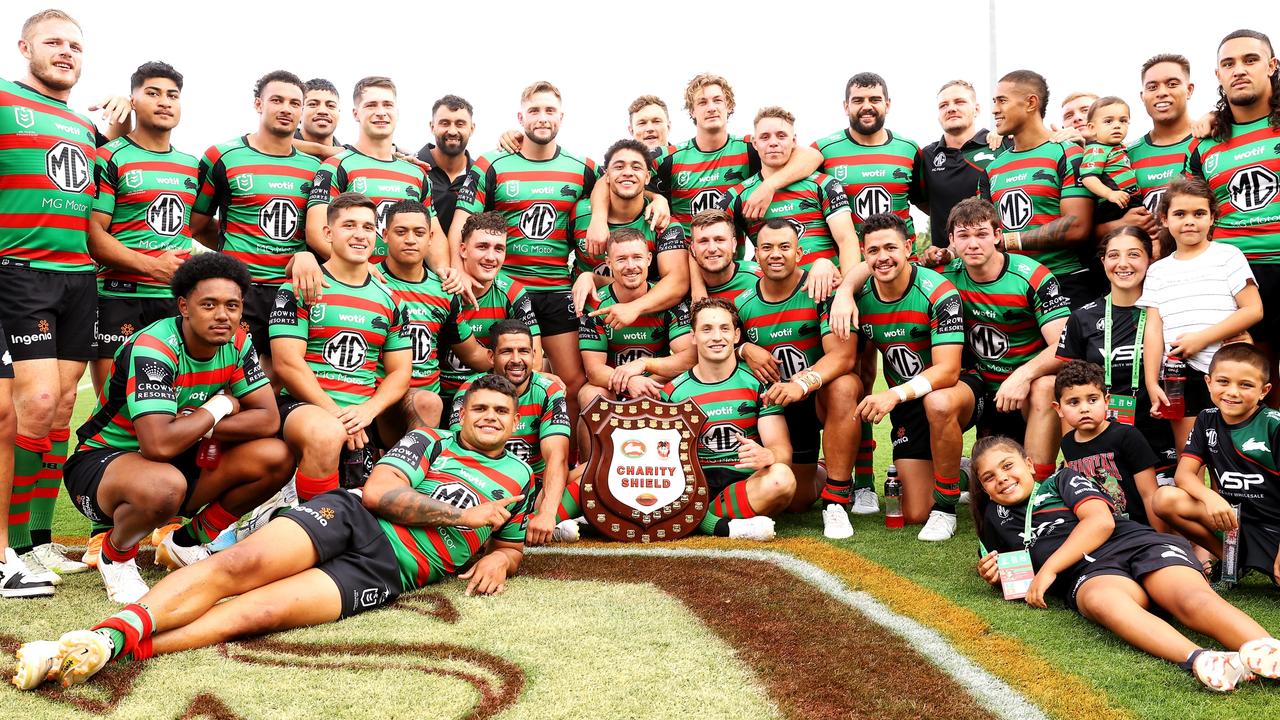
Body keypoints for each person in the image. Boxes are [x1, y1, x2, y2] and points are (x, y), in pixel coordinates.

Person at [11, 375, 534, 692]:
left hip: (389, 569)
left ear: (516, 421)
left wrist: (500, 559)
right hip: (353, 517)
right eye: (480, 407)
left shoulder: (520, 476)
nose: (489, 417)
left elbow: (509, 541)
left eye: (501, 411)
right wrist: (463, 517)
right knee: (233, 571)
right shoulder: (429, 441)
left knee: (253, 614)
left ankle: (103, 653)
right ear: (462, 411)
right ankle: (103, 635)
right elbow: (379, 494)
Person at [63, 253, 292, 601]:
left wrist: (198, 422)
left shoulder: (239, 342)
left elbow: (267, 418)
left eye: (232, 305)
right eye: (209, 304)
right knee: (164, 485)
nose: (222, 315)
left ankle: (186, 542)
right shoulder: (155, 346)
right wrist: (220, 405)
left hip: (182, 455)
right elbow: (157, 444)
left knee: (275, 455)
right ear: (184, 307)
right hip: (106, 463)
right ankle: (116, 555)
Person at [971, 434, 1280, 693]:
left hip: (1135, 544)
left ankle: (1265, 649)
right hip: (1091, 573)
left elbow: (1100, 522)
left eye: (1007, 466)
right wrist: (997, 576)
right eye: (989, 477)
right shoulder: (994, 521)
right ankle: (1203, 660)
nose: (1002, 478)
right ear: (983, 488)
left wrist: (1050, 568)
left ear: (1027, 464)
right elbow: (1022, 576)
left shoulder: (1061, 480)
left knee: (1191, 599)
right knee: (1102, 601)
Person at [0, 9, 131, 583]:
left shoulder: (81, 125)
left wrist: (111, 132)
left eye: (75, 46)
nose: (66, 53)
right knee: (31, 405)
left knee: (56, 412)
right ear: (24, 46)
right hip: (20, 271)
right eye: (54, 42)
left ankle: (38, 538)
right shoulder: (4, 100)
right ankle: (8, 545)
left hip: (78, 278)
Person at [446, 81, 596, 428]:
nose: (542, 118)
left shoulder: (582, 167)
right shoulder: (492, 163)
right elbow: (461, 223)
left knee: (571, 383)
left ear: (561, 117)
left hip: (556, 289)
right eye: (534, 111)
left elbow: (615, 192)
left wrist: (658, 200)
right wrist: (459, 273)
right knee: (505, 378)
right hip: (505, 288)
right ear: (520, 117)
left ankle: (564, 453)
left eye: (549, 111)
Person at [269, 193, 412, 502]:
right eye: (349, 225)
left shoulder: (391, 298)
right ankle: (307, 524)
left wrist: (366, 411)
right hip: (304, 409)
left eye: (368, 226)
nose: (360, 234)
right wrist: (337, 416)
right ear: (327, 233)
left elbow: (401, 372)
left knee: (363, 507)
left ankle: (291, 506)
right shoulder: (302, 286)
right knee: (326, 434)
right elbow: (287, 364)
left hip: (361, 416)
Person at [852, 213, 981, 541]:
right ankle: (962, 471)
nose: (883, 257)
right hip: (909, 402)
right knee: (912, 512)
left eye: (891, 248)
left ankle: (947, 507)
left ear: (909, 246)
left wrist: (893, 395)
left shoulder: (938, 291)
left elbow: (948, 370)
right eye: (873, 250)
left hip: (956, 389)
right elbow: (863, 367)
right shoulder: (861, 296)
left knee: (937, 403)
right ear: (863, 254)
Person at [735, 220, 861, 539]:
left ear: (799, 252)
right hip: (776, 408)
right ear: (755, 255)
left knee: (846, 385)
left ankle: (836, 499)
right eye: (766, 247)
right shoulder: (743, 304)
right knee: (796, 503)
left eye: (784, 247)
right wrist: (744, 348)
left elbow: (843, 356)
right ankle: (819, 469)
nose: (775, 254)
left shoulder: (821, 290)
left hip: (814, 396)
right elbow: (720, 346)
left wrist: (802, 384)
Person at [190, 70, 321, 377]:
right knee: (229, 378)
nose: (286, 108)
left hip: (292, 290)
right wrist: (233, 254)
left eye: (294, 103)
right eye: (277, 100)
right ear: (258, 104)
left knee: (279, 379)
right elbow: (196, 223)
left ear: (302, 111)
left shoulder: (316, 168)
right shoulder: (223, 156)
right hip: (241, 290)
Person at [939, 198, 1069, 480]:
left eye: (982, 234)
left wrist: (1022, 375)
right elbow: (889, 261)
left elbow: (1063, 345)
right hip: (982, 390)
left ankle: (1040, 490)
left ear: (998, 236)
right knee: (994, 481)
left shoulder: (1031, 275)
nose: (973, 244)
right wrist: (848, 286)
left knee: (1046, 385)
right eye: (963, 235)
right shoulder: (944, 274)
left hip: (1026, 393)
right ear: (951, 240)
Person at [90, 62, 197, 395]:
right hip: (118, 299)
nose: (164, 101)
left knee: (173, 407)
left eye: (172, 95)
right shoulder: (109, 156)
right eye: (153, 93)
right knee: (114, 405)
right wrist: (152, 266)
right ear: (132, 101)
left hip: (174, 302)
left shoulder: (192, 166)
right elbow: (93, 234)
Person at [1187, 29, 1280, 396]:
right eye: (1229, 63)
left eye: (1250, 60)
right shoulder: (1204, 142)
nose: (1238, 70)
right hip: (1233, 278)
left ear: (1272, 66)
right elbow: (1191, 210)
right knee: (1251, 382)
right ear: (1218, 76)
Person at [1138, 176, 1261, 450]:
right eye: (1180, 214)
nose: (1190, 221)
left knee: (1231, 453)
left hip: (1227, 371)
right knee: (1190, 453)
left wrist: (1202, 339)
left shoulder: (1228, 256)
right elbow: (1153, 329)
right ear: (1165, 219)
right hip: (1179, 374)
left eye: (1199, 213)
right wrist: (1150, 380)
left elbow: (1253, 309)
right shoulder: (1157, 270)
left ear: (1213, 217)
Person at [659, 297, 794, 540]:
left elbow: (781, 448)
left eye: (724, 329)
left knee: (782, 479)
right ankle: (723, 525)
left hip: (744, 483)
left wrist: (769, 455)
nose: (716, 337)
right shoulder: (673, 392)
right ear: (693, 336)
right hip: (694, 486)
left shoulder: (758, 383)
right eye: (707, 329)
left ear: (736, 335)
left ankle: (697, 519)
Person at [1056, 226, 1177, 483]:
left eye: (1134, 254)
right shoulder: (1082, 317)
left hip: (1161, 439)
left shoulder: (1170, 311)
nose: (1123, 264)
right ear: (1103, 261)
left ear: (1149, 259)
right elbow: (1068, 391)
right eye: (1113, 255)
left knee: (1164, 506)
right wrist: (1072, 454)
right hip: (1101, 443)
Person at [638, 73, 822, 241]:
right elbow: (616, 176)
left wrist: (769, 185)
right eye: (702, 102)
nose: (711, 108)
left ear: (729, 106)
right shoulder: (671, 156)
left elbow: (813, 156)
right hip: (686, 259)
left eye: (717, 100)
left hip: (731, 265)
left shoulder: (750, 147)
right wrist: (656, 198)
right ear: (692, 111)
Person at [1155, 342, 1279, 584]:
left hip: (1274, 525)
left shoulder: (1273, 424)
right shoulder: (1206, 419)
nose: (1232, 392)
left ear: (1264, 390)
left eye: (1246, 385)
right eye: (1223, 382)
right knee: (1165, 499)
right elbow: (1184, 475)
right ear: (1208, 382)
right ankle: (1233, 560)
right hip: (1232, 519)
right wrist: (1209, 496)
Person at [981, 70, 1095, 308]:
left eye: (1002, 101)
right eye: (994, 102)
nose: (994, 110)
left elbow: (1077, 226)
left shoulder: (1068, 152)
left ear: (1031, 103)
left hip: (1065, 282)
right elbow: (983, 230)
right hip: (1011, 287)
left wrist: (1008, 241)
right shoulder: (992, 168)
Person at [450, 322, 569, 546]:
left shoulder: (548, 389)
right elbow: (462, 454)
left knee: (590, 475)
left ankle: (534, 524)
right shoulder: (471, 391)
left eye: (524, 351)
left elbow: (557, 457)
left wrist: (547, 512)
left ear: (535, 355)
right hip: (484, 487)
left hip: (537, 490)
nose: (516, 359)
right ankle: (527, 529)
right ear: (491, 356)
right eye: (506, 351)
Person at [377, 200, 489, 435]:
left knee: (429, 402)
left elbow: (473, 353)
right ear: (385, 235)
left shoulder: (444, 290)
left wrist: (525, 366)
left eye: (418, 233)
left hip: (427, 401)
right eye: (401, 231)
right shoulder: (371, 280)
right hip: (380, 399)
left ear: (430, 238)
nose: (410, 239)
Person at [722, 106, 857, 301]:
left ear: (794, 141)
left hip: (826, 294)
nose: (773, 143)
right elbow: (709, 239)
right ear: (754, 143)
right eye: (765, 137)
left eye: (781, 136)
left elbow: (846, 239)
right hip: (772, 300)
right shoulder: (737, 196)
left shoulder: (824, 184)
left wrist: (847, 291)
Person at [578, 229, 692, 450]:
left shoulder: (667, 300)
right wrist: (630, 381)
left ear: (649, 259)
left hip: (657, 380)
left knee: (686, 387)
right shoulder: (595, 304)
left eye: (637, 257)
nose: (631, 266)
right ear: (608, 263)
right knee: (590, 394)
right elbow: (593, 370)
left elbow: (688, 358)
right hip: (614, 384)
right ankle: (589, 474)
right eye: (621, 259)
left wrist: (647, 373)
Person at [306, 76, 436, 264]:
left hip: (405, 287)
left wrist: (444, 271)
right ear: (355, 113)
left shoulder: (416, 172)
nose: (381, 112)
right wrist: (364, 270)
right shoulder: (335, 166)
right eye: (371, 105)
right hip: (355, 285)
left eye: (387, 105)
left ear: (397, 112)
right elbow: (316, 231)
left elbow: (434, 233)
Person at [436, 211, 542, 413]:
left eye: (499, 249)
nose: (491, 257)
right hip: (439, 395)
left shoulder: (512, 292)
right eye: (482, 247)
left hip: (491, 398)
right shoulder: (440, 289)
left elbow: (535, 361)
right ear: (463, 250)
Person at [571, 139, 690, 317]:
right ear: (607, 176)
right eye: (619, 167)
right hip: (585, 315)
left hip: (645, 317)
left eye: (636, 167)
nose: (627, 173)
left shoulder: (662, 221)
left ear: (648, 177)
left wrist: (632, 307)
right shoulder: (580, 213)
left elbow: (678, 282)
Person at [814, 72, 928, 246]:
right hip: (847, 265)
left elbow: (926, 203)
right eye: (858, 100)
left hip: (902, 262)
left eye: (875, 99)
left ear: (887, 105)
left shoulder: (909, 149)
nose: (867, 106)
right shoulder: (822, 150)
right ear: (846, 106)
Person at [1055, 361, 1161, 529]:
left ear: (1106, 401)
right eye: (1074, 402)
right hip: (1098, 531)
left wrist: (1160, 539)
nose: (1084, 409)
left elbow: (1150, 495)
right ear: (1059, 409)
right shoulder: (1067, 443)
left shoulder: (1127, 435)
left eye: (1092, 400)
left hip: (1138, 529)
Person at [1107, 54, 1195, 237]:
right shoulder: (1124, 155)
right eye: (1152, 87)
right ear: (1143, 96)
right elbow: (1089, 228)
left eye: (1172, 84)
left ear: (1189, 90)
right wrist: (1122, 223)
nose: (1161, 92)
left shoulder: (1209, 142)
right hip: (1145, 263)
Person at [922, 79, 1006, 245]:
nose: (951, 108)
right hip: (946, 262)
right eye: (943, 105)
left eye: (959, 102)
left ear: (977, 109)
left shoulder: (1002, 144)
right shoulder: (927, 156)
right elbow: (922, 201)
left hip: (996, 257)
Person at [416, 95, 477, 235]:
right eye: (445, 123)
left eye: (460, 124)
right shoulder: (412, 169)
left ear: (472, 128)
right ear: (432, 126)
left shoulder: (481, 176)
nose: (452, 131)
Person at [1078, 97, 1142, 225]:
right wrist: (1110, 194)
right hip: (1113, 204)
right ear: (1092, 127)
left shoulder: (1120, 147)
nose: (1117, 125)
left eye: (1123, 121)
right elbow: (1088, 177)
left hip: (1129, 199)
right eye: (1108, 121)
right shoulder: (1096, 150)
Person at [689, 209, 761, 303]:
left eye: (719, 240)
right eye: (703, 241)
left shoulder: (760, 280)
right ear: (693, 249)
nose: (712, 249)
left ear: (734, 244)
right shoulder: (681, 289)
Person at [296, 78, 341, 147]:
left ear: (339, 113)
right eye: (313, 104)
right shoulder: (275, 149)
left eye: (330, 105)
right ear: (300, 111)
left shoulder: (348, 155)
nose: (322, 111)